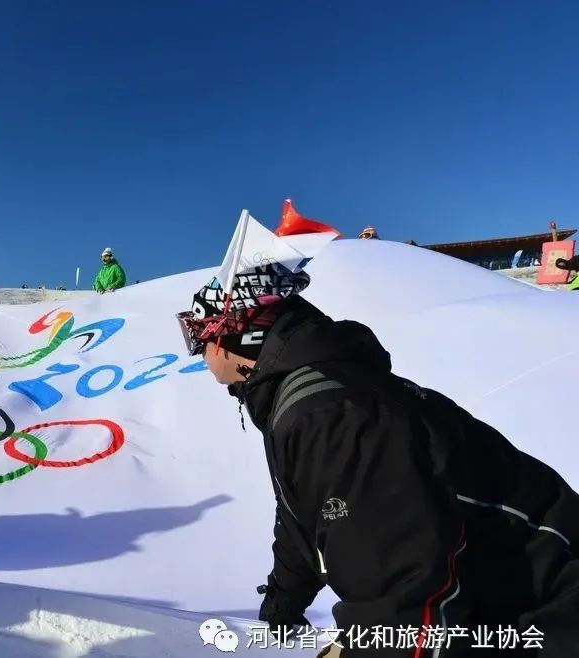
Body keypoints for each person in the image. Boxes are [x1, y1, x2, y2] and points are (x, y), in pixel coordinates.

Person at [176, 235, 579, 657]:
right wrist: (282, 606)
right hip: (492, 596)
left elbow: (404, 582)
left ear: (228, 338)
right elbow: (308, 516)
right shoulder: (304, 396)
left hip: (545, 609)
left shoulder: (331, 414)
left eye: (198, 337)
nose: (199, 353)